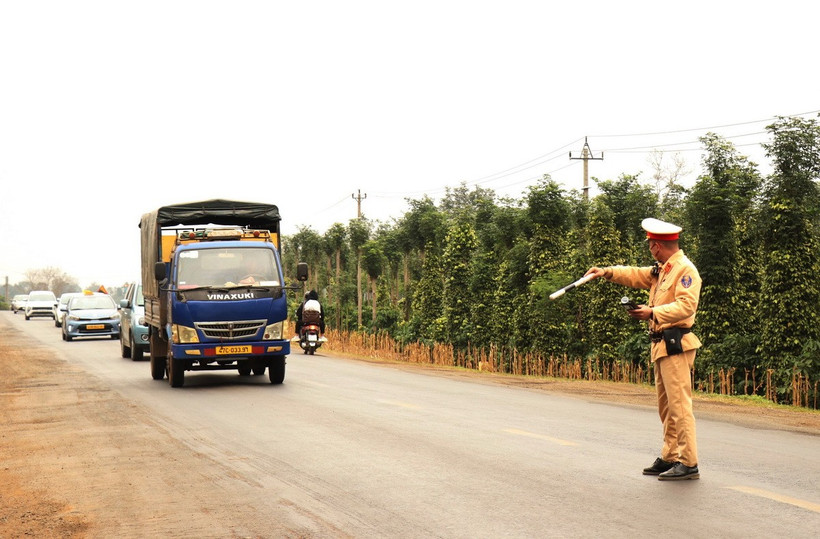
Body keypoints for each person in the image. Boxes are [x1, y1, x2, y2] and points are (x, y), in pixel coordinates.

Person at [584, 217, 702, 481]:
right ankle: (671, 455)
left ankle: (688, 462)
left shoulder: (685, 270)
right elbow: (635, 274)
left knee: (680, 405)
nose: (650, 249)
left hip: (676, 343)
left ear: (656, 246)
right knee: (666, 406)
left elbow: (686, 307)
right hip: (661, 345)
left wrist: (652, 311)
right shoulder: (663, 269)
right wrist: (606, 271)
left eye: (650, 244)